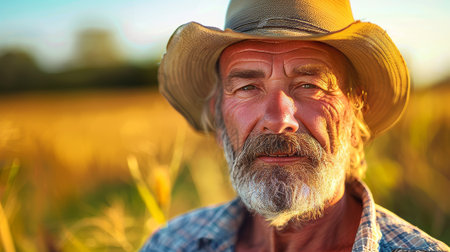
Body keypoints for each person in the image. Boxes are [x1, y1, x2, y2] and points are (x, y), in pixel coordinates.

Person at [142, 0, 449, 251]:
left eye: (309, 85)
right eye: (248, 87)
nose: (278, 121)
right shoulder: (170, 244)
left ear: (356, 115)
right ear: (219, 118)